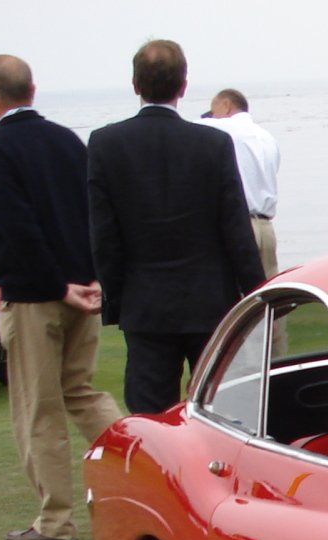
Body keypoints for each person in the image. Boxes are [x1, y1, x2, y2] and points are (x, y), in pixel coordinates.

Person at [0, 53, 122, 540]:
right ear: (33, 91)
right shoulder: (67, 141)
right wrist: (95, 277)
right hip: (82, 288)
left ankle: (56, 521)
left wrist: (57, 285)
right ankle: (141, 467)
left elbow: (16, 227)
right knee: (80, 391)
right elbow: (95, 212)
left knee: (39, 408)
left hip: (40, 296)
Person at [87, 40, 264, 417]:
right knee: (219, 412)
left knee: (152, 418)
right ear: (183, 86)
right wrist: (256, 291)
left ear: (135, 84)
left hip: (145, 304)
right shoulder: (213, 144)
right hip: (209, 300)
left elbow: (105, 237)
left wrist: (117, 300)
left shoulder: (106, 145)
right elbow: (235, 228)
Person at [198, 88, 281, 277]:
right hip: (266, 227)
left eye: (213, 110)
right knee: (267, 292)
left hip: (242, 225)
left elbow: (187, 128)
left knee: (240, 297)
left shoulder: (225, 127)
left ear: (226, 106)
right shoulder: (267, 138)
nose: (212, 115)